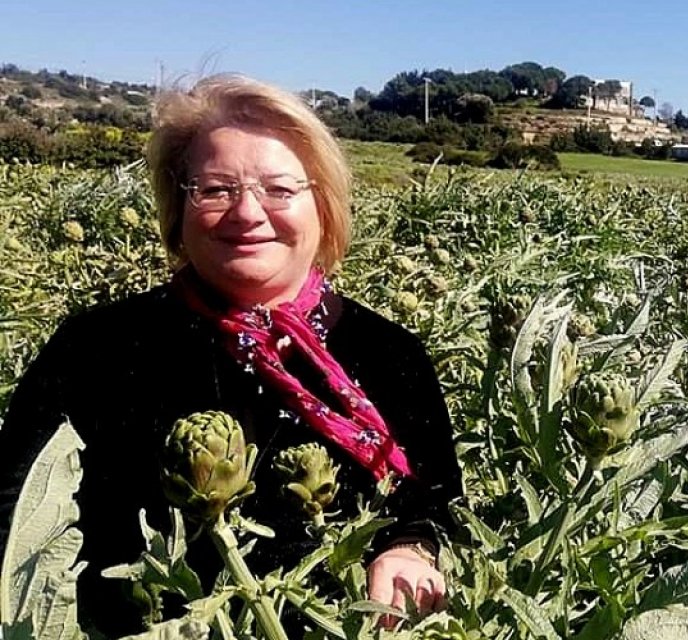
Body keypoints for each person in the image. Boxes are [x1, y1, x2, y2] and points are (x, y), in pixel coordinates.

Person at [0, 74, 463, 636]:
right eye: (215, 189)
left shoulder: (390, 353)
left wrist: (411, 549)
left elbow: (437, 502)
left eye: (280, 189)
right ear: (178, 207)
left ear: (323, 207)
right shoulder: (97, 347)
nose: (247, 213)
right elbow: (15, 511)